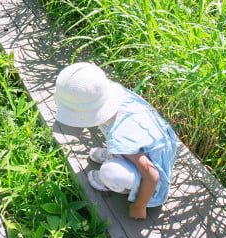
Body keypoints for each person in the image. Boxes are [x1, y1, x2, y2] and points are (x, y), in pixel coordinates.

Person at [54, 62, 178, 220]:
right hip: (149, 142)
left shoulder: (123, 135)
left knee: (110, 173)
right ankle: (117, 156)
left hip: (155, 169)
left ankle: (118, 176)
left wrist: (139, 207)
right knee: (124, 147)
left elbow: (152, 175)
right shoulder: (118, 99)